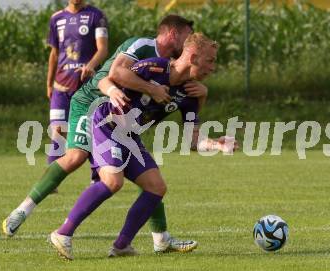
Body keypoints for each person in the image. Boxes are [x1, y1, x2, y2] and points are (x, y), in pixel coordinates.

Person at [3, 15, 212, 253]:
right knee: (76, 157)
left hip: (120, 118)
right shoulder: (141, 46)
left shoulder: (171, 64)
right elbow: (108, 75)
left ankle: (160, 238)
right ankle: (23, 210)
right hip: (93, 100)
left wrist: (201, 93)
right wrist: (120, 90)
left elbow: (183, 105)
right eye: (187, 36)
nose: (188, 44)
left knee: (151, 177)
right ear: (174, 33)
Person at [49, 32, 226, 260]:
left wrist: (217, 145)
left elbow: (195, 141)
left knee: (156, 187)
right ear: (192, 57)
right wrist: (141, 89)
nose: (212, 67)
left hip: (129, 135)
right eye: (210, 60)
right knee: (113, 182)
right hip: (107, 124)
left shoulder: (189, 94)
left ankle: (122, 245)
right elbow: (110, 76)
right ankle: (63, 233)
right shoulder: (156, 67)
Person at [46, 0, 108, 165]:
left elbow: (102, 49)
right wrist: (49, 83)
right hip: (61, 86)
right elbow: (54, 53)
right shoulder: (56, 18)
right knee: (58, 130)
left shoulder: (96, 16)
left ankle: (96, 177)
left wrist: (91, 66)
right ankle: (51, 183)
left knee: (92, 132)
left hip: (87, 87)